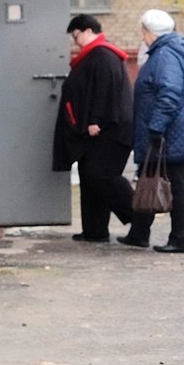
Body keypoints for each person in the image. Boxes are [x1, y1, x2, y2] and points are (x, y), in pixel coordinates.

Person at [126, 9, 184, 254]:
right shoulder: (168, 51)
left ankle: (181, 239)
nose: (142, 36)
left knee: (175, 184)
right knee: (149, 176)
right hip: (171, 130)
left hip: (169, 131)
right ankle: (139, 233)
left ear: (149, 32)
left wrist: (157, 126)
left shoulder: (165, 55)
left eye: (143, 32)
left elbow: (169, 94)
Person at [57, 13, 135, 242]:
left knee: (102, 176)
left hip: (108, 131)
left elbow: (103, 91)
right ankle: (95, 230)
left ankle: (139, 217)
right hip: (99, 132)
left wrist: (94, 120)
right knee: (89, 177)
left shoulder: (102, 55)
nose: (75, 41)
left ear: (89, 31)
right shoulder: (96, 55)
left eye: (76, 35)